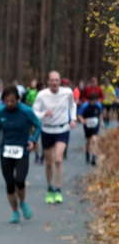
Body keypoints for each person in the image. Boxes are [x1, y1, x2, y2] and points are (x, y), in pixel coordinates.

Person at [0, 85, 42, 223]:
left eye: (12, 101)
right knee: (10, 184)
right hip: (5, 151)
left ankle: (22, 203)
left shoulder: (26, 111)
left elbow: (38, 125)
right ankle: (14, 211)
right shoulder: (0, 111)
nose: (9, 104)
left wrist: (33, 140)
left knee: (20, 180)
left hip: (22, 150)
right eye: (6, 101)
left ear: (18, 99)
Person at [33, 70, 77, 204]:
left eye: (56, 80)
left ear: (60, 81)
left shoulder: (67, 92)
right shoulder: (42, 95)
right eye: (52, 80)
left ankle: (58, 189)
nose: (54, 82)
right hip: (47, 130)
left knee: (58, 159)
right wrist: (43, 114)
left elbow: (73, 105)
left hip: (62, 129)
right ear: (48, 82)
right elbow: (34, 111)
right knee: (48, 163)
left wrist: (73, 119)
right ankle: (50, 188)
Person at [78, 93, 103, 166]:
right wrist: (83, 121)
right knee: (88, 141)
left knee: (95, 140)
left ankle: (94, 158)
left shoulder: (98, 105)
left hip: (96, 125)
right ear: (89, 100)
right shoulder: (84, 106)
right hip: (87, 126)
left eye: (95, 100)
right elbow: (79, 115)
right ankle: (87, 154)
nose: (94, 102)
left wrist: (101, 122)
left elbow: (100, 114)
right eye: (92, 101)